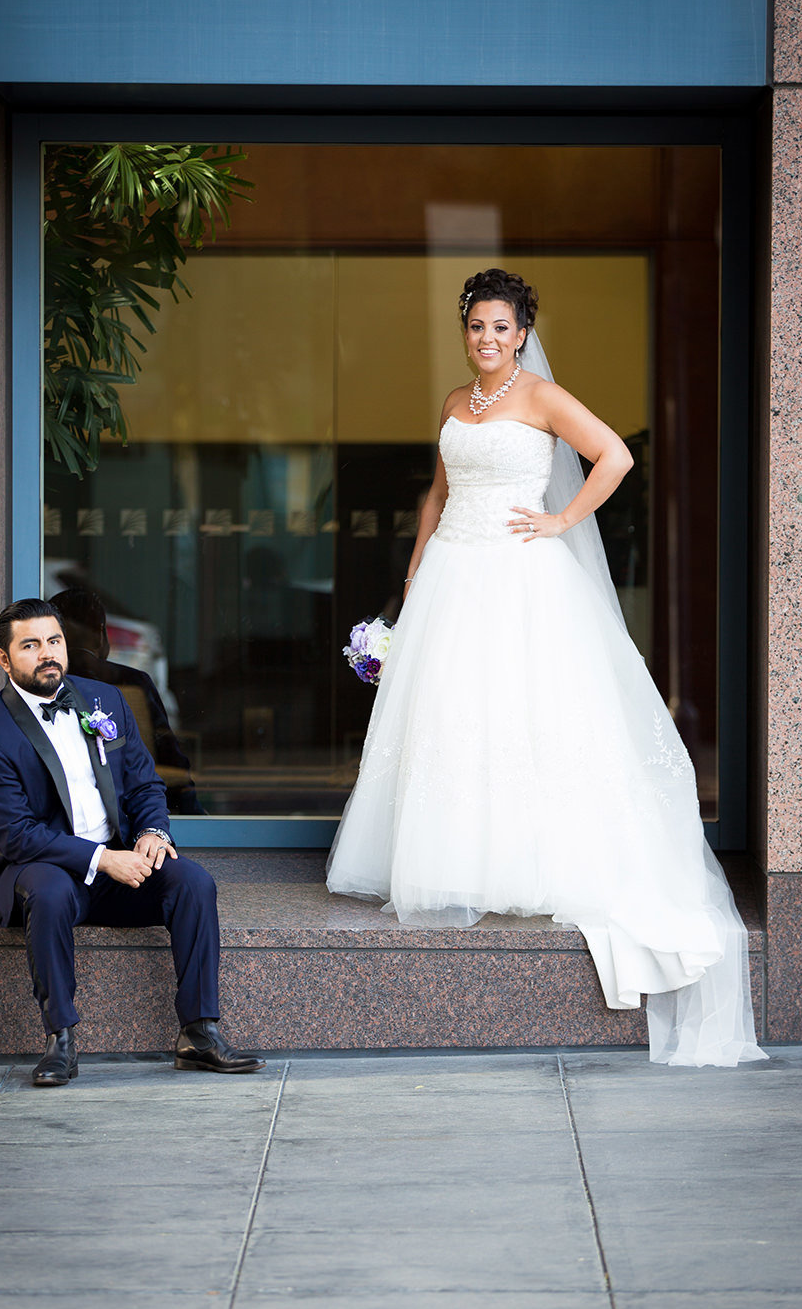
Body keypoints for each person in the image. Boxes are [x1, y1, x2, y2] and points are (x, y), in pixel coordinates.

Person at [327, 268, 766, 1068]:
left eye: (501, 327)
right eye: (475, 327)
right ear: (464, 333)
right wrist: (416, 570)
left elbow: (613, 457)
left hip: (523, 574)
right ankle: (462, 860)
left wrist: (562, 518)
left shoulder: (540, 398)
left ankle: (532, 859)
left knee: (528, 711)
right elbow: (436, 493)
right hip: (453, 574)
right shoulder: (455, 405)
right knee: (455, 718)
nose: (487, 339)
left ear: (523, 332)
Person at [0, 598, 264, 1086]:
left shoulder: (106, 700)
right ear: (3, 658)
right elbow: (17, 836)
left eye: (54, 641)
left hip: (119, 863)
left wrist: (152, 832)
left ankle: (200, 1035)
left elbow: (145, 783)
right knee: (49, 890)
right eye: (31, 645)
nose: (47, 654)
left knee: (192, 882)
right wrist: (104, 859)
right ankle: (60, 1039)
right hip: (48, 869)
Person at [49, 586, 203, 815]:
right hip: (138, 806)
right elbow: (169, 755)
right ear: (101, 633)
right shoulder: (132, 681)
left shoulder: (45, 683)